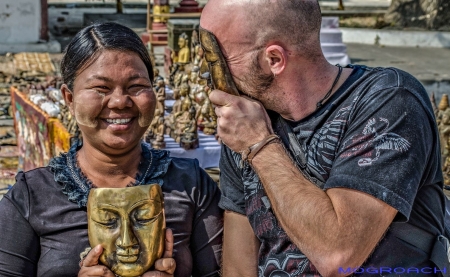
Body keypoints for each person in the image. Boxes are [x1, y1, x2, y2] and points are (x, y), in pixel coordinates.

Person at [200, 0, 447, 276]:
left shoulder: (389, 99)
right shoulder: (247, 122)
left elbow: (338, 254)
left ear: (274, 60)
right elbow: (238, 267)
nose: (208, 73)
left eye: (218, 59)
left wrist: (259, 145)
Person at [0, 22, 223, 277]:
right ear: (69, 99)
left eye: (136, 86)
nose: (119, 102)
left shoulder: (192, 186)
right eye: (101, 89)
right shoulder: (31, 197)